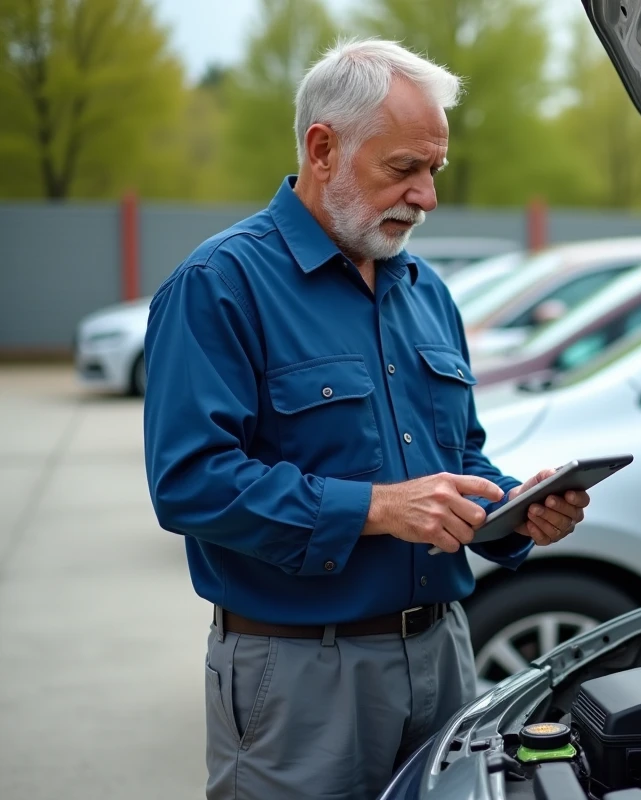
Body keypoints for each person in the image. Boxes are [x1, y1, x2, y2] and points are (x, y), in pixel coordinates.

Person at [141, 38, 589, 800]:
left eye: (433, 171)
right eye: (403, 169)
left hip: (445, 653)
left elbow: (461, 457)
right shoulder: (220, 284)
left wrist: (513, 510)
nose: (426, 197)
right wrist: (379, 509)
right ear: (323, 149)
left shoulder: (427, 293)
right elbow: (190, 483)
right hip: (300, 677)